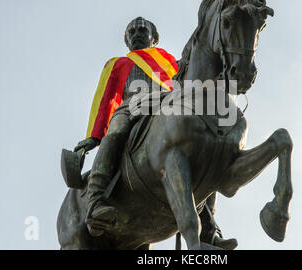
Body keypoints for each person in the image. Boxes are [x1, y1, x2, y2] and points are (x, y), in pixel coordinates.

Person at [74, 17, 237, 249]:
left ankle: (208, 230)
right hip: (131, 108)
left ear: (154, 37)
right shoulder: (118, 63)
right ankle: (96, 199)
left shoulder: (170, 62)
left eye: (142, 29)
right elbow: (104, 100)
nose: (136, 33)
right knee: (116, 133)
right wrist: (93, 136)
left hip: (167, 108)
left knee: (202, 154)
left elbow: (193, 75)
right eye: (131, 31)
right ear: (126, 39)